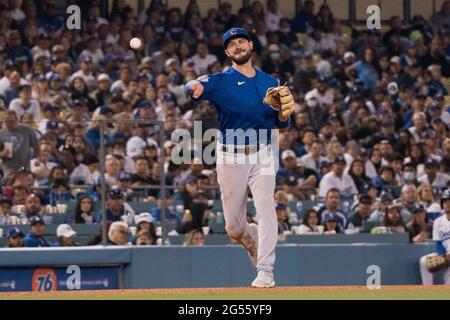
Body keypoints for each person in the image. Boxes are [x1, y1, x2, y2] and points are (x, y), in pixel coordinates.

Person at [184, 27, 295, 288]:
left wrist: (283, 114)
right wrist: (195, 86)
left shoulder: (270, 82)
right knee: (234, 228)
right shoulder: (222, 80)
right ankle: (251, 237)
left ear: (251, 46)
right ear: (227, 52)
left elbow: (282, 123)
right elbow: (191, 84)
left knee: (266, 205)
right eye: (231, 44)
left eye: (241, 41)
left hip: (263, 152)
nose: (237, 46)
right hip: (230, 156)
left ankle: (266, 270)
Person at [419, 189, 450, 285]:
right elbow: (439, 243)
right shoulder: (438, 222)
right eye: (445, 202)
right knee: (424, 262)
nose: (448, 204)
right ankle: (428, 292)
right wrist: (442, 256)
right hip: (447, 255)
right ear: (442, 204)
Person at [0, 110, 39, 177]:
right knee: (11, 183)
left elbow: (36, 145)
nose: (9, 124)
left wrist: (39, 158)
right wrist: (2, 153)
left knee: (25, 183)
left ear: (17, 120)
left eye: (11, 121)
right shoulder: (1, 133)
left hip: (25, 165)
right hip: (8, 167)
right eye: (6, 121)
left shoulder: (27, 129)